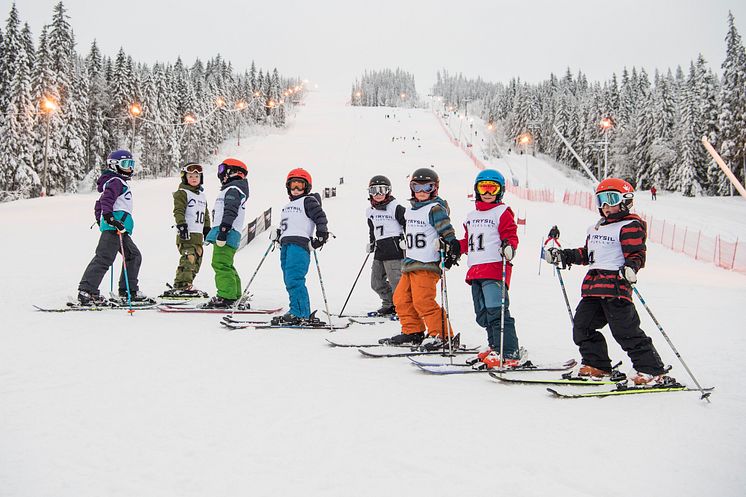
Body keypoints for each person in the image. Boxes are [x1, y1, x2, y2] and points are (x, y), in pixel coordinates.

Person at [544, 178, 669, 385]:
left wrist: (631, 267)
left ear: (626, 200)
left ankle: (651, 370)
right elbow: (588, 254)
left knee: (625, 331)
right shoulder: (597, 228)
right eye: (601, 200)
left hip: (616, 288)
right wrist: (564, 255)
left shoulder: (630, 225)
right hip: (593, 289)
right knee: (582, 327)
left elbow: (637, 253)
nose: (605, 206)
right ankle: (597, 364)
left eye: (611, 199)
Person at [381, 168, 460, 350]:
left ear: (435, 188)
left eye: (427, 187)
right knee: (401, 299)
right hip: (410, 263)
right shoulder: (410, 211)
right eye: (417, 187)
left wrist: (451, 247)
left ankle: (442, 335)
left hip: (427, 264)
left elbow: (446, 230)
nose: (422, 191)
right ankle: (413, 332)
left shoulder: (435, 209)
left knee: (423, 301)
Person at [459, 169, 521, 368]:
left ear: (500, 191)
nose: (487, 192)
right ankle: (495, 345)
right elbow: (469, 242)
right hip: (475, 270)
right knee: (483, 313)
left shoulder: (502, 212)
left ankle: (509, 351)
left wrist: (509, 246)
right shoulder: (471, 216)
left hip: (494, 268)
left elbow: (510, 234)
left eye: (492, 188)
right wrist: (453, 246)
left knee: (497, 311)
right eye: (483, 187)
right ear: (476, 189)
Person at [77, 149, 149, 305]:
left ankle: (128, 291)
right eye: (125, 164)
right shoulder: (116, 182)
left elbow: (99, 205)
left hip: (119, 229)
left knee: (133, 256)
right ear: (114, 165)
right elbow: (105, 202)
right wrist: (109, 219)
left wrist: (102, 220)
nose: (129, 168)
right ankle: (87, 292)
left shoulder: (118, 182)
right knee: (104, 258)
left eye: (131, 164)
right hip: (114, 229)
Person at [271, 168, 329, 325]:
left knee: (294, 277)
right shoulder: (287, 205)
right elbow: (290, 224)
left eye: (300, 186)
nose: (296, 190)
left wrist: (322, 234)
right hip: (286, 244)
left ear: (307, 187)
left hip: (300, 244)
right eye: (293, 186)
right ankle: (295, 309)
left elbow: (320, 217)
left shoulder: (309, 201)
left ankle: (300, 312)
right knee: (288, 278)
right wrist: (278, 233)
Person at [203, 158, 249, 309]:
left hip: (226, 233)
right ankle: (235, 294)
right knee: (227, 264)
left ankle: (226, 297)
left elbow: (230, 211)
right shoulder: (234, 189)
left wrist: (223, 231)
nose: (220, 174)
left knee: (220, 264)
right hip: (228, 232)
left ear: (233, 172)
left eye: (222, 170)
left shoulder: (233, 190)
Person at [162, 162, 211, 298]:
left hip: (198, 235)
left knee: (197, 261)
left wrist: (207, 228)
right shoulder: (182, 193)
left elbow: (205, 214)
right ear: (185, 177)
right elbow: (178, 210)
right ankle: (181, 285)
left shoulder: (201, 196)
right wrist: (181, 225)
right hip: (187, 233)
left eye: (196, 176)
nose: (194, 178)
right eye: (190, 176)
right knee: (188, 258)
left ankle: (188, 284)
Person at [366, 175, 406, 316]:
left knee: (397, 282)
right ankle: (389, 303)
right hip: (380, 249)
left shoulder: (395, 207)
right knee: (376, 282)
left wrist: (406, 240)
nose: (378, 194)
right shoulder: (370, 211)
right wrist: (372, 242)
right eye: (374, 190)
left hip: (394, 248)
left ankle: (402, 308)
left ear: (388, 191)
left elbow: (408, 223)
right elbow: (373, 229)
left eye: (382, 190)